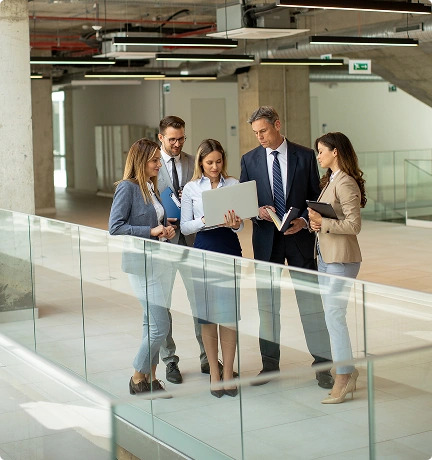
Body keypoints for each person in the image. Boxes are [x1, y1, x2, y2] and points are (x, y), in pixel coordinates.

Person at [240, 106, 334, 389]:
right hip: (266, 239)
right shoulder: (249, 160)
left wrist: (305, 222)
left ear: (277, 125)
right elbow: (245, 201)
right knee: (267, 306)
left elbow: (315, 197)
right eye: (256, 133)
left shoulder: (305, 155)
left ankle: (323, 365)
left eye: (264, 131)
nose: (260, 137)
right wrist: (258, 212)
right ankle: (269, 366)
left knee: (311, 304)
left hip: (299, 239)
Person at [109, 138, 176, 396]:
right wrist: (150, 230)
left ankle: (150, 377)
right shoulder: (127, 187)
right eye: (155, 160)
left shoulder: (150, 186)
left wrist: (165, 226)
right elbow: (115, 227)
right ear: (141, 161)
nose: (160, 164)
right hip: (140, 264)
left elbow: (153, 218)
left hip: (158, 261)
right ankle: (138, 375)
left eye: (159, 160)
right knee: (159, 326)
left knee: (151, 324)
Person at [181, 139, 243, 398]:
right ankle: (214, 375)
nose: (214, 167)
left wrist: (235, 222)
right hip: (203, 250)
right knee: (207, 317)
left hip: (229, 247)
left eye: (218, 162)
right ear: (200, 163)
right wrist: (205, 220)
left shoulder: (234, 184)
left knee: (228, 316)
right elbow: (185, 227)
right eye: (209, 162)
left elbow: (240, 225)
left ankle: (228, 373)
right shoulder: (192, 188)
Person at [308, 132, 366, 404]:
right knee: (332, 317)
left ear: (335, 152)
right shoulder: (330, 180)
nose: (318, 155)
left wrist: (325, 224)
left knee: (335, 317)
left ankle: (343, 376)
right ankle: (347, 370)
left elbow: (354, 225)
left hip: (342, 259)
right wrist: (316, 221)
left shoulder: (345, 182)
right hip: (326, 256)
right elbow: (331, 217)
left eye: (321, 151)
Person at [157, 115, 208, 384]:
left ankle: (207, 357)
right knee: (162, 304)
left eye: (181, 139)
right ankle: (169, 360)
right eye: (172, 139)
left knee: (199, 301)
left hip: (192, 241)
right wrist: (161, 221)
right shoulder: (150, 164)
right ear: (161, 138)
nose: (177, 144)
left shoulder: (191, 162)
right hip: (164, 242)